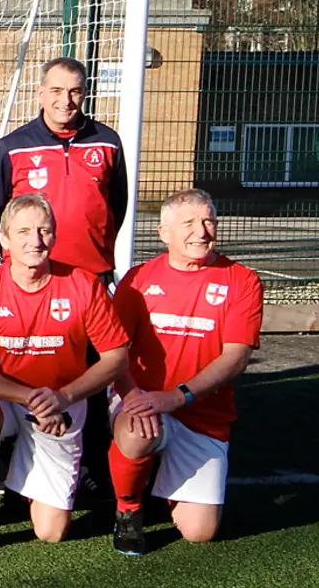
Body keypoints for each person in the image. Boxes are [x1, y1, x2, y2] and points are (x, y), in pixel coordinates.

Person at [0, 193, 128, 555]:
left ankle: (21, 466)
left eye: (44, 230)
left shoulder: (83, 284)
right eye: (24, 231)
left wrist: (63, 397)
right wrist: (30, 398)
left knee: (51, 531)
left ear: (55, 236)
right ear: (5, 239)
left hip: (62, 405)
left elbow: (116, 358)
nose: (35, 240)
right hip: (9, 402)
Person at [107, 189, 263, 555]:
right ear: (164, 232)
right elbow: (113, 352)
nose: (202, 232)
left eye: (208, 221)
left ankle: (160, 475)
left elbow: (236, 358)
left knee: (199, 532)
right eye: (189, 223)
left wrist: (178, 396)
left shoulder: (242, 281)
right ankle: (128, 509)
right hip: (143, 401)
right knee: (137, 429)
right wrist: (133, 396)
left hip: (201, 412)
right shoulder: (138, 280)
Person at [0, 58, 128, 282]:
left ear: (84, 94)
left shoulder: (108, 141)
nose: (66, 100)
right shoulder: (13, 146)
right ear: (41, 93)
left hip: (92, 272)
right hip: (32, 274)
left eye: (74, 91)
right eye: (56, 91)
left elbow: (117, 206)